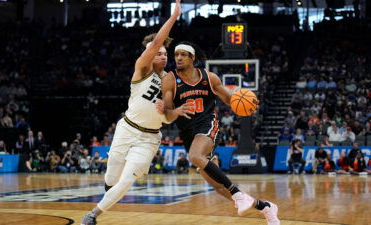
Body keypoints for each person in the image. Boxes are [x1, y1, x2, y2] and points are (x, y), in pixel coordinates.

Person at [81, 2, 189, 224]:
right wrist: (173, 17)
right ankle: (109, 196)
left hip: (149, 139)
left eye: (164, 53)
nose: (162, 56)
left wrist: (174, 111)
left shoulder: (170, 80)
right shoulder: (141, 68)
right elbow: (157, 42)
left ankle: (92, 216)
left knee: (126, 181)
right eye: (158, 53)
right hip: (127, 129)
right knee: (111, 178)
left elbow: (168, 117)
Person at [161, 41, 279, 224]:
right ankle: (265, 207)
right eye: (176, 55)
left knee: (194, 156)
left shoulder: (209, 78)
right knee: (218, 186)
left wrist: (247, 103)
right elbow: (167, 115)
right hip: (188, 134)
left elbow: (230, 99)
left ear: (192, 58)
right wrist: (175, 112)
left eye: (183, 55)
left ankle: (237, 193)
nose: (178, 58)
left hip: (207, 125)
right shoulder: (169, 79)